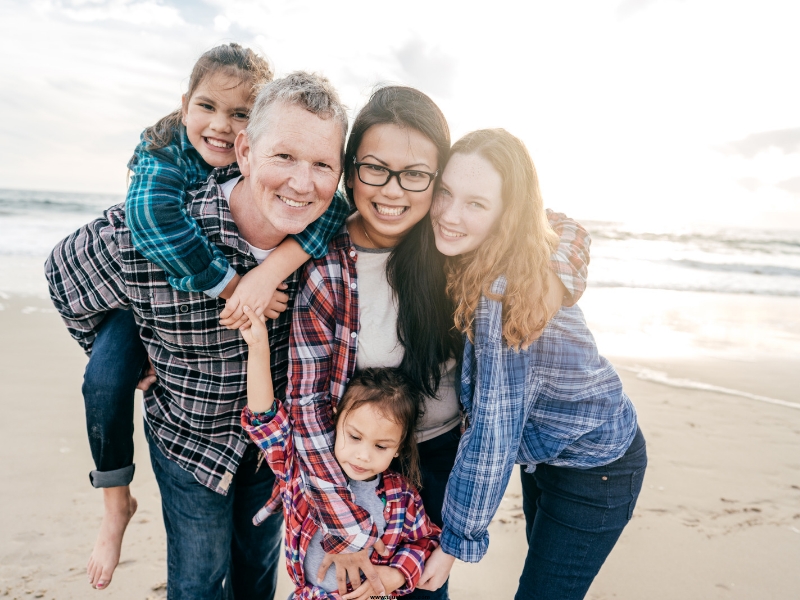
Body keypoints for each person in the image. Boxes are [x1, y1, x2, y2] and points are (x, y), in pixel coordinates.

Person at [46, 71, 349, 600]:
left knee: (257, 573)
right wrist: (120, 359)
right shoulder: (159, 231)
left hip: (270, 448)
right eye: (284, 156)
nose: (303, 183)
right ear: (245, 151)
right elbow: (62, 276)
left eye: (322, 164)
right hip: (189, 443)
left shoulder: (327, 242)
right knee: (198, 582)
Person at [285, 86, 592, 600]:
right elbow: (306, 405)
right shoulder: (323, 266)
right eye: (375, 169)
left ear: (438, 179)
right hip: (355, 462)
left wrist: (555, 280)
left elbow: (552, 225)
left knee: (424, 591)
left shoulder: (453, 240)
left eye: (415, 175)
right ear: (349, 169)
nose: (393, 191)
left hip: (440, 453)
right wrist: (341, 523)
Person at [419, 128, 647, 599]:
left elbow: (493, 433)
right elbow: (563, 222)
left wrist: (454, 542)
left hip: (598, 465)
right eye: (445, 192)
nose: (449, 214)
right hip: (547, 457)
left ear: (508, 213)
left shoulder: (502, 294)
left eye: (476, 203)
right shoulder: (492, 252)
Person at [239, 304, 440, 599]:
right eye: (355, 437)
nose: (363, 455)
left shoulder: (402, 496)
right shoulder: (301, 474)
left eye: (381, 445)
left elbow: (424, 542)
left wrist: (397, 573)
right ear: (334, 421)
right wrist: (258, 349)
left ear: (399, 447)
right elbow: (265, 421)